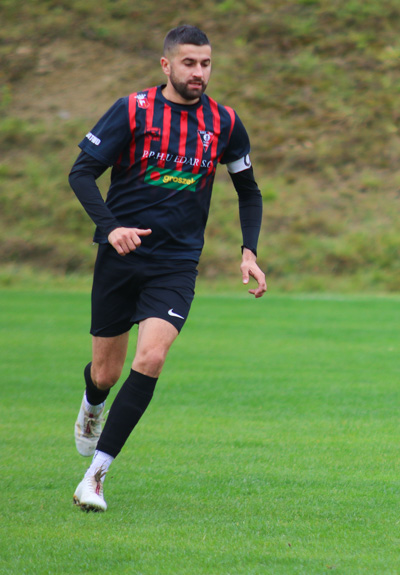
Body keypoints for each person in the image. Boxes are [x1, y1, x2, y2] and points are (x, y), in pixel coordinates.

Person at [69, 25, 267, 512]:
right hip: (120, 258)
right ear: (166, 65)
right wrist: (111, 227)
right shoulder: (132, 110)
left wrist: (249, 251)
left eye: (205, 64)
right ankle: (93, 404)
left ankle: (95, 478)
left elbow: (249, 190)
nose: (198, 73)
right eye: (189, 63)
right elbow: (82, 173)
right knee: (105, 372)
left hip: (176, 265)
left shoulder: (223, 122)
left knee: (152, 358)